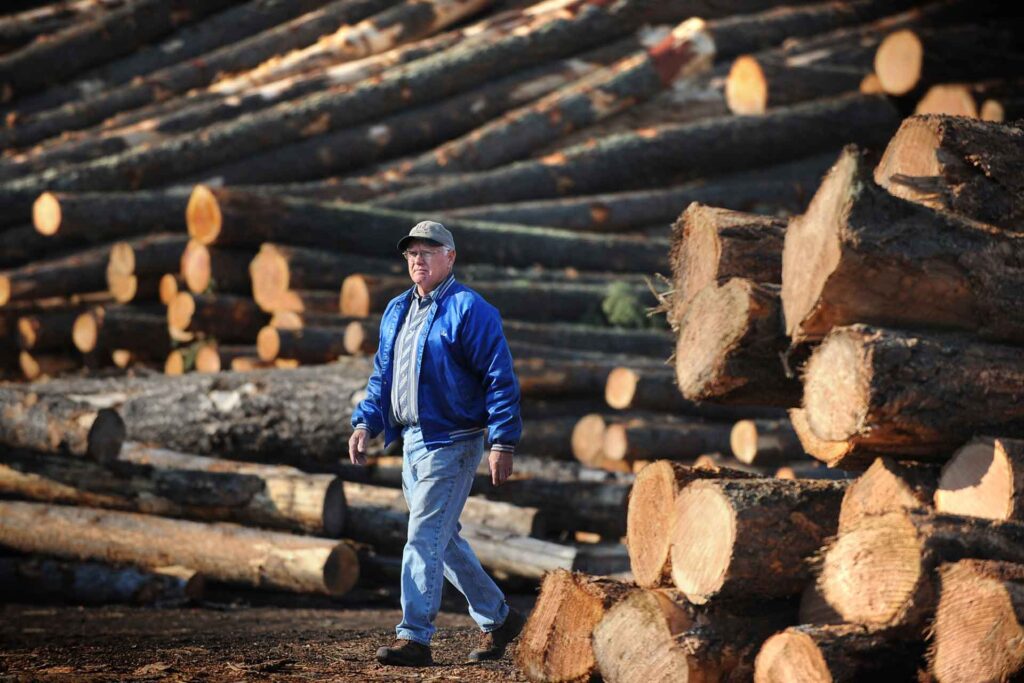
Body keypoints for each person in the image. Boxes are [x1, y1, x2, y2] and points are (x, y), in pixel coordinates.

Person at [348, 220, 525, 667]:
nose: (417, 260)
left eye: (428, 251)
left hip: (453, 442)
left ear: (450, 257)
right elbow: (381, 378)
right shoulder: (396, 310)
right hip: (410, 440)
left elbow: (499, 379)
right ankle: (501, 621)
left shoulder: (470, 309)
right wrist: (364, 423)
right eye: (411, 253)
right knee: (443, 542)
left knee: (423, 535)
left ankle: (415, 637)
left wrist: (502, 441)